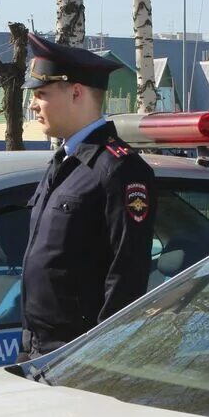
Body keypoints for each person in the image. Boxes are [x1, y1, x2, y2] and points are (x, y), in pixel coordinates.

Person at [19, 33, 156, 359]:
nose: (32, 105)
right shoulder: (64, 162)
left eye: (41, 94)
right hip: (38, 348)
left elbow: (126, 276)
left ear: (76, 92)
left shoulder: (118, 170)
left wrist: (99, 356)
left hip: (80, 356)